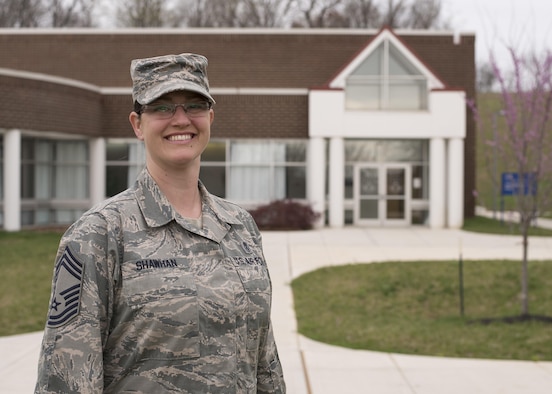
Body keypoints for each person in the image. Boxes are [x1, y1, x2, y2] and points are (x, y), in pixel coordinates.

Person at [35, 53, 286, 393]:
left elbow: (263, 357)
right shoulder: (100, 233)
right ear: (137, 124)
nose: (181, 119)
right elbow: (65, 377)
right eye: (162, 107)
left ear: (210, 117)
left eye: (194, 105)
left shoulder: (239, 226)